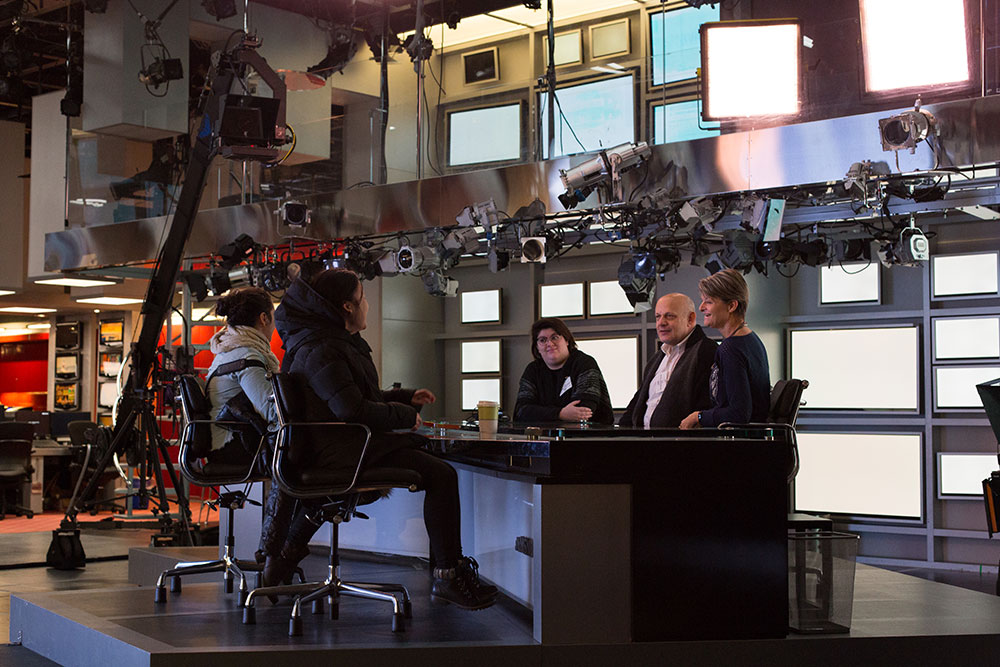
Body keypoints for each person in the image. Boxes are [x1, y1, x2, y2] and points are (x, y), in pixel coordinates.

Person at [267, 268, 497, 610]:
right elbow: (352, 409)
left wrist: (403, 398)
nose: (368, 305)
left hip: (335, 449)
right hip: (346, 453)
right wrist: (406, 417)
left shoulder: (318, 341)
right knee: (441, 474)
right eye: (363, 298)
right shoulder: (324, 347)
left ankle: (281, 562)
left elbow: (347, 398)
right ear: (346, 306)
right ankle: (448, 576)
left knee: (430, 465)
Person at [679, 269, 770, 429]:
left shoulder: (730, 349)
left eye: (709, 301)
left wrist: (698, 417)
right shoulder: (752, 340)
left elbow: (739, 414)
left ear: (731, 306)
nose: (701, 307)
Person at [204, 287, 279, 465]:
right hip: (236, 448)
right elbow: (271, 412)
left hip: (221, 444)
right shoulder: (247, 356)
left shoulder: (226, 351)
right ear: (264, 318)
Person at [619, 293, 717, 429]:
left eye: (669, 316)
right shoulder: (657, 358)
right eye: (658, 316)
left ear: (690, 318)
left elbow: (706, 407)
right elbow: (636, 407)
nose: (661, 323)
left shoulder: (707, 351)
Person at [513, 317, 614, 424]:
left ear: (566, 340)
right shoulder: (532, 370)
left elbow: (584, 411)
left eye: (555, 337)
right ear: (537, 347)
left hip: (589, 437)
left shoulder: (584, 363)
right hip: (545, 437)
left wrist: (540, 412)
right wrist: (561, 413)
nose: (550, 344)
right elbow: (521, 412)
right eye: (542, 340)